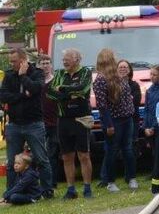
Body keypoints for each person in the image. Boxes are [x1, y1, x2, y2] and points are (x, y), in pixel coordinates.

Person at [0, 48, 53, 199]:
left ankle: (47, 191)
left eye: (14, 61)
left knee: (41, 158)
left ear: (23, 60)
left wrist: (23, 76)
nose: (11, 64)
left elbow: (36, 89)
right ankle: (11, 193)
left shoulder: (37, 73)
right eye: (10, 61)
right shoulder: (9, 75)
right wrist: (23, 95)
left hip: (34, 124)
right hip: (15, 125)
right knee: (11, 162)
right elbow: (3, 96)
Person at [47, 48, 93, 200]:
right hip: (63, 119)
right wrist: (69, 94)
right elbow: (51, 93)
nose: (64, 61)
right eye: (63, 59)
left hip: (82, 118)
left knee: (84, 155)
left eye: (67, 58)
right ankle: (71, 190)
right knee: (67, 156)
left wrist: (62, 89)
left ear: (77, 60)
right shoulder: (59, 73)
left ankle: (87, 189)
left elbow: (83, 89)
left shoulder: (86, 72)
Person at [94, 49, 136, 192]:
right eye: (113, 57)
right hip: (113, 120)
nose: (115, 59)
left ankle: (131, 178)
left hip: (127, 118)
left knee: (128, 149)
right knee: (112, 150)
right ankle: (110, 181)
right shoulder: (100, 79)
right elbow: (102, 105)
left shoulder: (118, 76)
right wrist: (108, 124)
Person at [38, 54, 60, 189]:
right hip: (39, 122)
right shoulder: (36, 82)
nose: (45, 65)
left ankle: (53, 182)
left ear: (51, 65)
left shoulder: (56, 81)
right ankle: (42, 181)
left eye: (47, 63)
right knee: (40, 154)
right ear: (38, 65)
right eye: (42, 63)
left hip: (55, 122)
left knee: (53, 153)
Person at [118, 59, 141, 166]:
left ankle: (132, 170)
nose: (123, 69)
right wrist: (128, 99)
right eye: (120, 67)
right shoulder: (113, 85)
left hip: (132, 119)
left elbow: (136, 101)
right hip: (117, 120)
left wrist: (123, 100)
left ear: (130, 70)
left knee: (132, 144)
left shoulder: (135, 85)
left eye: (125, 67)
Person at [144, 65, 159, 174]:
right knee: (155, 152)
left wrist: (154, 126)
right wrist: (146, 127)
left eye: (155, 75)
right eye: (151, 74)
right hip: (150, 126)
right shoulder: (149, 91)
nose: (152, 77)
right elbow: (147, 109)